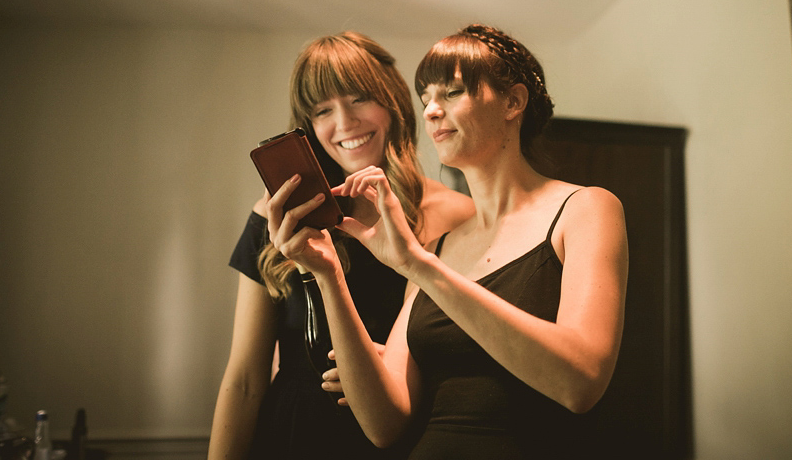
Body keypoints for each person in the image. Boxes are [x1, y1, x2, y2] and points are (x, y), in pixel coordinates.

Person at [267, 24, 629, 459]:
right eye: (426, 101)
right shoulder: (438, 248)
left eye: (451, 94)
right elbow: (384, 424)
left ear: (513, 101)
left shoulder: (585, 209)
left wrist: (418, 267)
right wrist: (327, 276)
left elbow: (581, 382)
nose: (432, 112)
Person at [208, 32, 475, 460]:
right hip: (291, 434)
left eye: (358, 98)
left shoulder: (456, 216)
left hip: (404, 436)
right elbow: (243, 379)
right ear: (307, 127)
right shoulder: (278, 216)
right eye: (322, 110)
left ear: (392, 103)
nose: (345, 123)